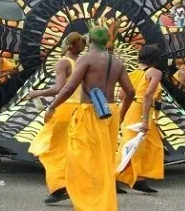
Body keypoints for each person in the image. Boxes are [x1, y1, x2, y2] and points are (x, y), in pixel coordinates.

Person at [45, 26, 135, 211]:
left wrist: (52, 106)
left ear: (90, 41)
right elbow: (130, 91)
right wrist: (122, 112)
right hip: (111, 110)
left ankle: (90, 202)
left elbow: (69, 88)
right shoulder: (117, 62)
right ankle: (102, 201)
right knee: (104, 158)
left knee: (82, 157)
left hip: (90, 111)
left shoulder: (86, 59)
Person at [27, 32, 86, 204]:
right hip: (80, 109)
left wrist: (36, 93)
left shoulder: (63, 62)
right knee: (71, 151)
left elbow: (59, 88)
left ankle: (60, 187)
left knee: (48, 150)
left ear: (67, 46)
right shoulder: (83, 62)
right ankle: (73, 186)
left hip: (63, 110)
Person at [116, 45, 164, 193]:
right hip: (141, 111)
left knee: (149, 145)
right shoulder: (155, 72)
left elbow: (121, 96)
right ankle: (111, 177)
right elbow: (148, 95)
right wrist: (144, 119)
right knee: (132, 147)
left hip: (131, 109)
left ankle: (139, 178)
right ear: (155, 59)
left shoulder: (132, 74)